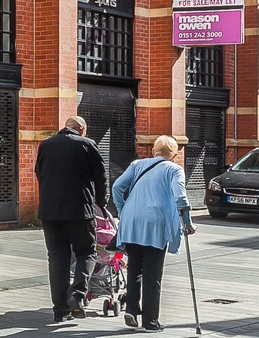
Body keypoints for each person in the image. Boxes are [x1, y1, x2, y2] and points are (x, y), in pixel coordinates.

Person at [111, 134, 194, 332]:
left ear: (153, 150)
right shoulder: (174, 169)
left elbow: (116, 187)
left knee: (134, 268)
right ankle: (150, 322)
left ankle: (131, 309)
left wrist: (122, 210)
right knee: (152, 273)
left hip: (131, 222)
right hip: (156, 224)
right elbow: (180, 197)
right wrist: (188, 223)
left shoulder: (136, 165)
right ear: (174, 155)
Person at [34, 114, 108, 321]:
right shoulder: (86, 144)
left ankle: (60, 310)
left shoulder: (45, 145)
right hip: (79, 211)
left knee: (57, 258)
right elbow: (101, 177)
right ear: (82, 129)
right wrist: (101, 203)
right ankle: (77, 294)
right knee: (86, 252)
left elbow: (39, 173)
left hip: (49, 211)